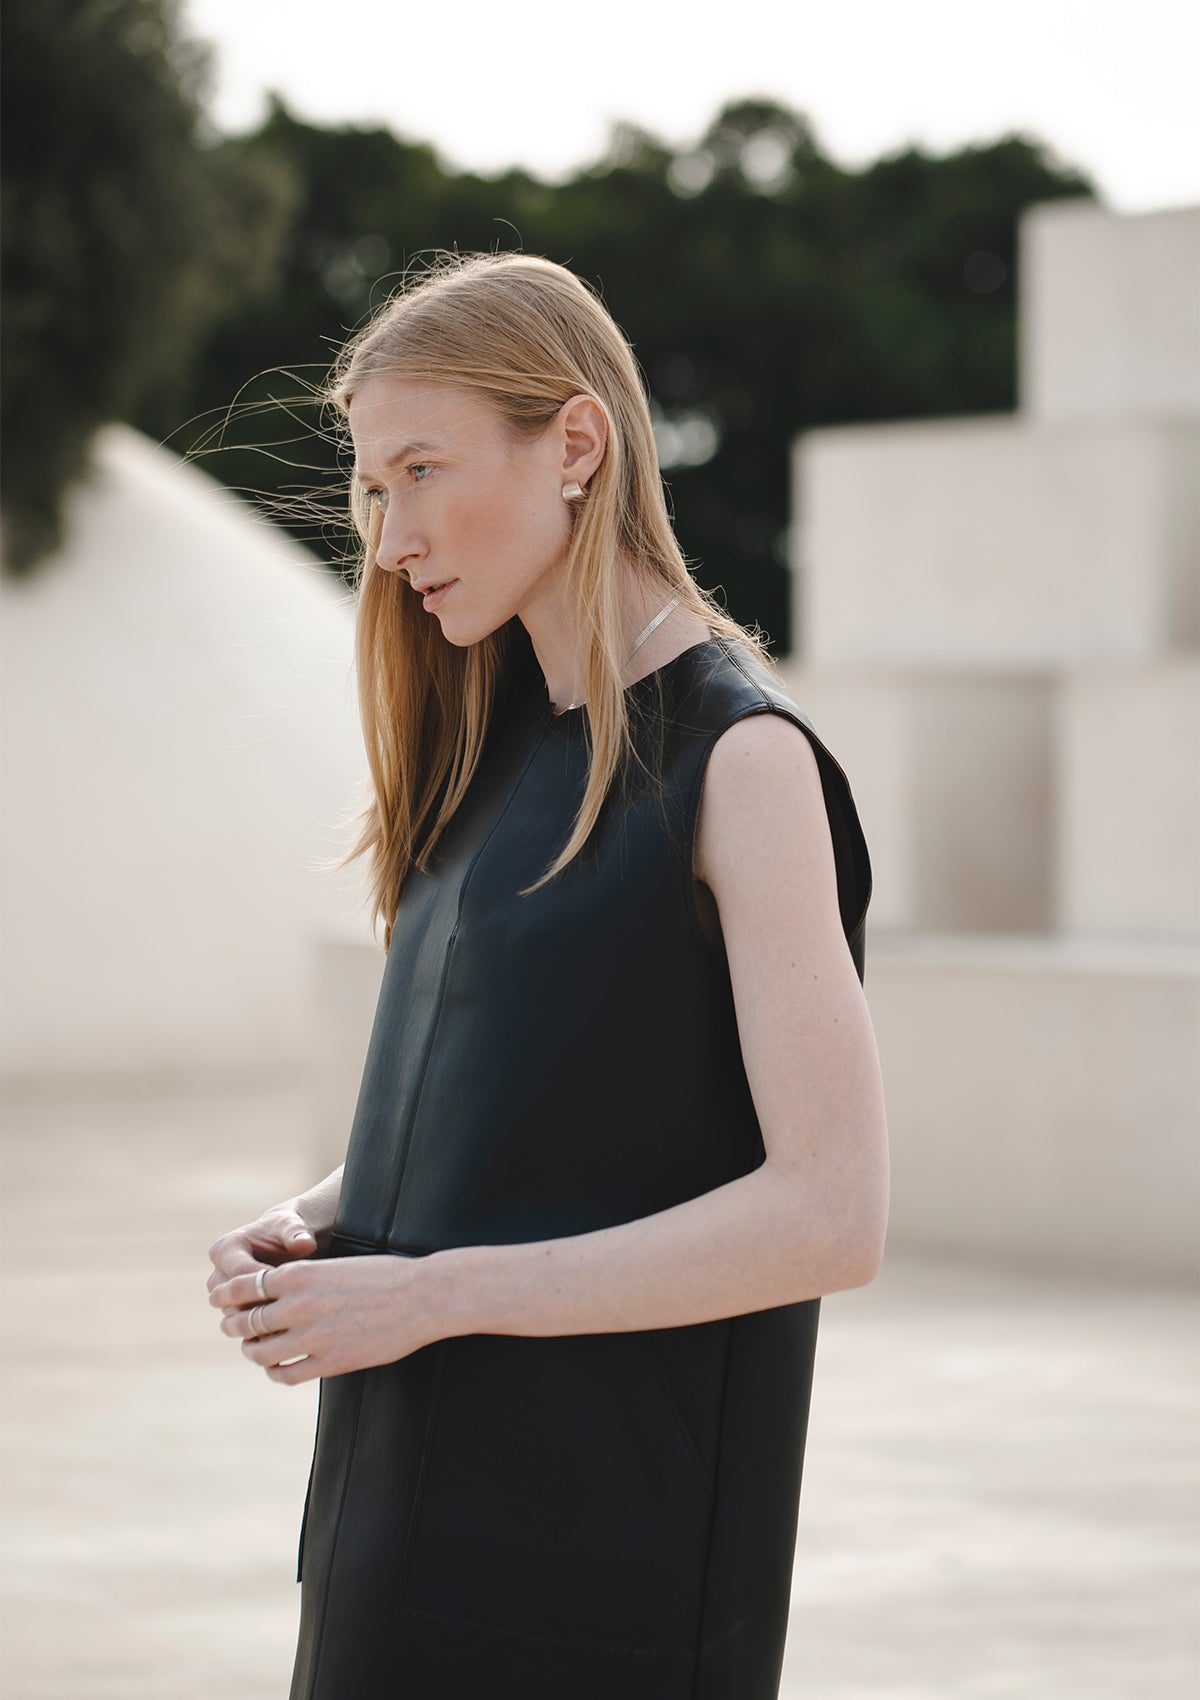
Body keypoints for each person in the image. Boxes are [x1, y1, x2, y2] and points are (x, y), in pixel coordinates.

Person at [207, 251, 889, 1700]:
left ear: (574, 445)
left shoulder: (741, 762)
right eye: (371, 487)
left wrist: (434, 1295)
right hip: (394, 1532)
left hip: (605, 1577)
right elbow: (508, 1114)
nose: (387, 534)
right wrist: (316, 1224)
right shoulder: (488, 742)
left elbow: (831, 1214)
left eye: (421, 470)